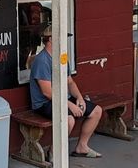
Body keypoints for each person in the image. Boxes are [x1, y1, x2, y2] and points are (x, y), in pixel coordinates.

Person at [29, 25, 103, 158]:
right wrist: (70, 105)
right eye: (61, 37)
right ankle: (53, 153)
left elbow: (70, 82)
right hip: (44, 103)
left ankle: (82, 147)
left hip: (63, 98)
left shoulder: (62, 56)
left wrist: (79, 98)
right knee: (68, 120)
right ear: (51, 39)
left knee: (96, 111)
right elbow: (47, 92)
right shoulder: (42, 60)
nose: (64, 40)